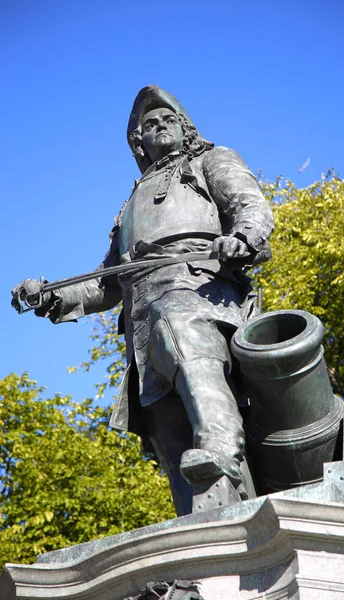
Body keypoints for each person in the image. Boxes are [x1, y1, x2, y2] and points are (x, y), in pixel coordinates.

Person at [12, 86, 274, 516]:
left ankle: (222, 443)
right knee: (167, 431)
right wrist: (51, 296)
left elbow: (250, 204)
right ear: (140, 141)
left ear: (184, 128)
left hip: (199, 293)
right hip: (142, 321)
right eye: (149, 125)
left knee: (186, 340)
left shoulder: (209, 161)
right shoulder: (129, 205)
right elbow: (106, 282)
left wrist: (243, 237)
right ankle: (198, 518)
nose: (160, 127)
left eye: (168, 119)